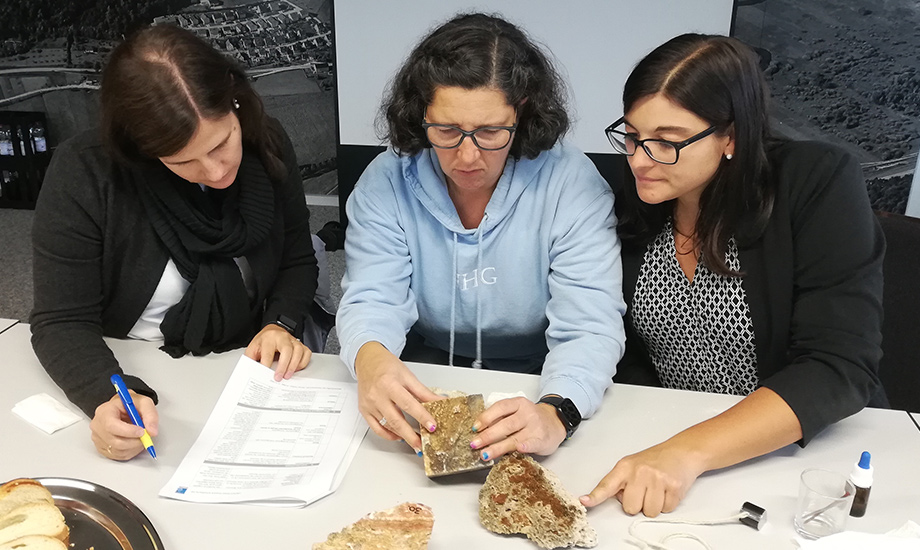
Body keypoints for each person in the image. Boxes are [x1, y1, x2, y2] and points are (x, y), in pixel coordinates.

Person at [579, 33, 886, 517]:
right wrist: (663, 439)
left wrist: (688, 451)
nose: (639, 159)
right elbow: (627, 346)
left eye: (667, 141)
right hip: (668, 448)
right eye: (633, 136)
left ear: (731, 137)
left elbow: (838, 366)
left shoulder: (815, 181)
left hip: (797, 453)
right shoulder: (640, 194)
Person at [336, 13, 626, 460]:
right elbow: (372, 299)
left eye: (491, 132)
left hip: (536, 381)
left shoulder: (571, 183)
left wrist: (557, 410)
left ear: (523, 112)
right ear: (420, 115)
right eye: (447, 130)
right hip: (422, 380)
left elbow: (590, 325)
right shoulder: (386, 181)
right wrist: (371, 360)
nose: (467, 157)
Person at [30, 25, 319, 461]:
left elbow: (298, 257)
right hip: (133, 367)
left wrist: (279, 323)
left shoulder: (268, 142)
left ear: (235, 102)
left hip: (241, 367)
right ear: (144, 150)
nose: (217, 171)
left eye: (223, 142)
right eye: (183, 161)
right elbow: (61, 321)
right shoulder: (85, 173)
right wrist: (106, 396)